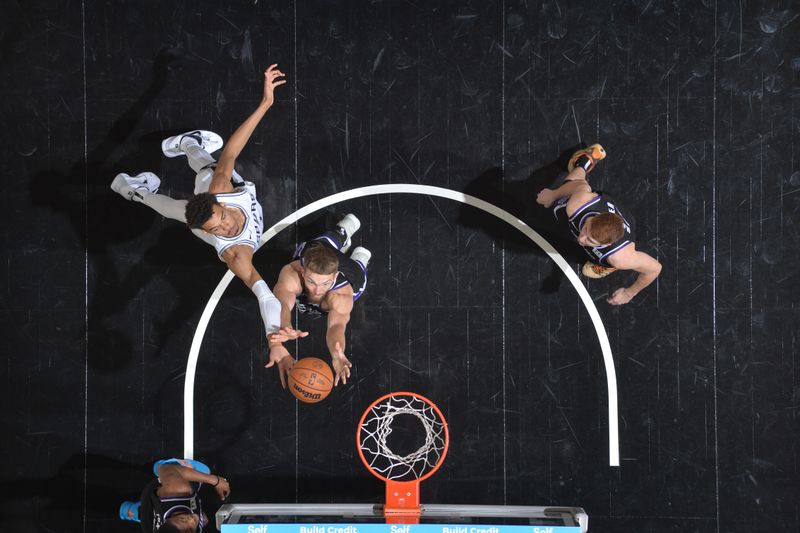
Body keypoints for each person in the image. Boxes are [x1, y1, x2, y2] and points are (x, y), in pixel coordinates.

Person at [110, 63, 305, 347]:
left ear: (219, 204)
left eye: (222, 220)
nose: (226, 227)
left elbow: (231, 150)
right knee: (175, 210)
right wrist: (275, 338)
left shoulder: (219, 189)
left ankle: (174, 154)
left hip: (209, 183)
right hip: (200, 215)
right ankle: (133, 189)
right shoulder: (235, 253)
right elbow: (264, 295)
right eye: (219, 229)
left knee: (207, 166)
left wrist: (266, 103)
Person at [535, 144, 662, 305]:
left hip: (623, 232)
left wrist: (630, 293)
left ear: (607, 244)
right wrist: (552, 194)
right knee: (566, 191)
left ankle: (607, 266)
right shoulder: (578, 203)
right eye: (586, 230)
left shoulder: (621, 257)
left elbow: (654, 269)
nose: (581, 239)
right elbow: (581, 185)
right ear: (595, 218)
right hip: (596, 202)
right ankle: (585, 160)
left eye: (590, 240)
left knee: (608, 260)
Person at [267, 215, 371, 386]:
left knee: (360, 261)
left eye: (324, 284)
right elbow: (282, 303)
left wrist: (337, 353)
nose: (317, 290)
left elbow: (336, 326)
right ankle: (344, 231)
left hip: (351, 274)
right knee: (324, 241)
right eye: (311, 281)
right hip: (319, 249)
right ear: (302, 271)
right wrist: (285, 324)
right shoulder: (291, 274)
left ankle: (360, 258)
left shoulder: (341, 296)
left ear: (335, 277)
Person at [119, 458, 229, 532]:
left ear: (168, 520)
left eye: (183, 520)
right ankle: (131, 511)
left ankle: (135, 510)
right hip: (153, 522)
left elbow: (168, 470)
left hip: (152, 499)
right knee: (204, 519)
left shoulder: (178, 491)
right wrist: (201, 520)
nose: (192, 520)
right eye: (191, 529)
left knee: (202, 471)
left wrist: (216, 481)